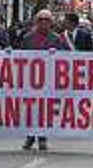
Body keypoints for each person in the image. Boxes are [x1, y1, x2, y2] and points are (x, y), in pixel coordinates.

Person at [21, 9, 70, 151]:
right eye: (41, 19)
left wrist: (58, 54)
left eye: (46, 20)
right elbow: (19, 56)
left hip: (48, 81)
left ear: (51, 23)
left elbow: (68, 57)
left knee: (44, 110)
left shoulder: (57, 39)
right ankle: (30, 137)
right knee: (31, 110)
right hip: (30, 80)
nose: (43, 22)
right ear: (36, 22)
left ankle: (42, 138)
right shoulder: (27, 38)